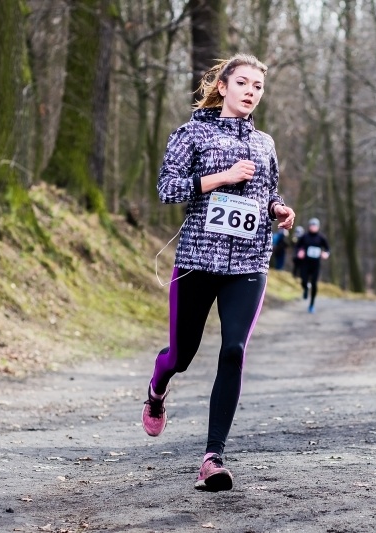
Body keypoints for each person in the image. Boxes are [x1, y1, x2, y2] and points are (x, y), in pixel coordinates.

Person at [142, 54, 295, 492]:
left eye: (258, 86)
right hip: (196, 261)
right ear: (223, 87)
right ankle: (157, 387)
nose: (250, 91)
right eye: (242, 83)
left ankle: (212, 458)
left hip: (248, 263)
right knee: (182, 355)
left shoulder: (265, 143)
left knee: (233, 350)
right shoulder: (190, 134)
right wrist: (220, 177)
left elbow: (268, 194)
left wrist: (278, 210)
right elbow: (167, 189)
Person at [296, 218, 330, 313]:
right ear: (309, 226)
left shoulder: (321, 237)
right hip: (305, 263)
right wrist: (300, 252)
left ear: (318, 227)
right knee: (303, 280)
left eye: (315, 225)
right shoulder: (304, 236)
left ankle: (311, 305)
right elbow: (297, 246)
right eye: (312, 225)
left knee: (314, 284)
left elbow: (327, 249)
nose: (313, 227)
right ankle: (305, 288)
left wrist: (326, 254)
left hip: (316, 264)